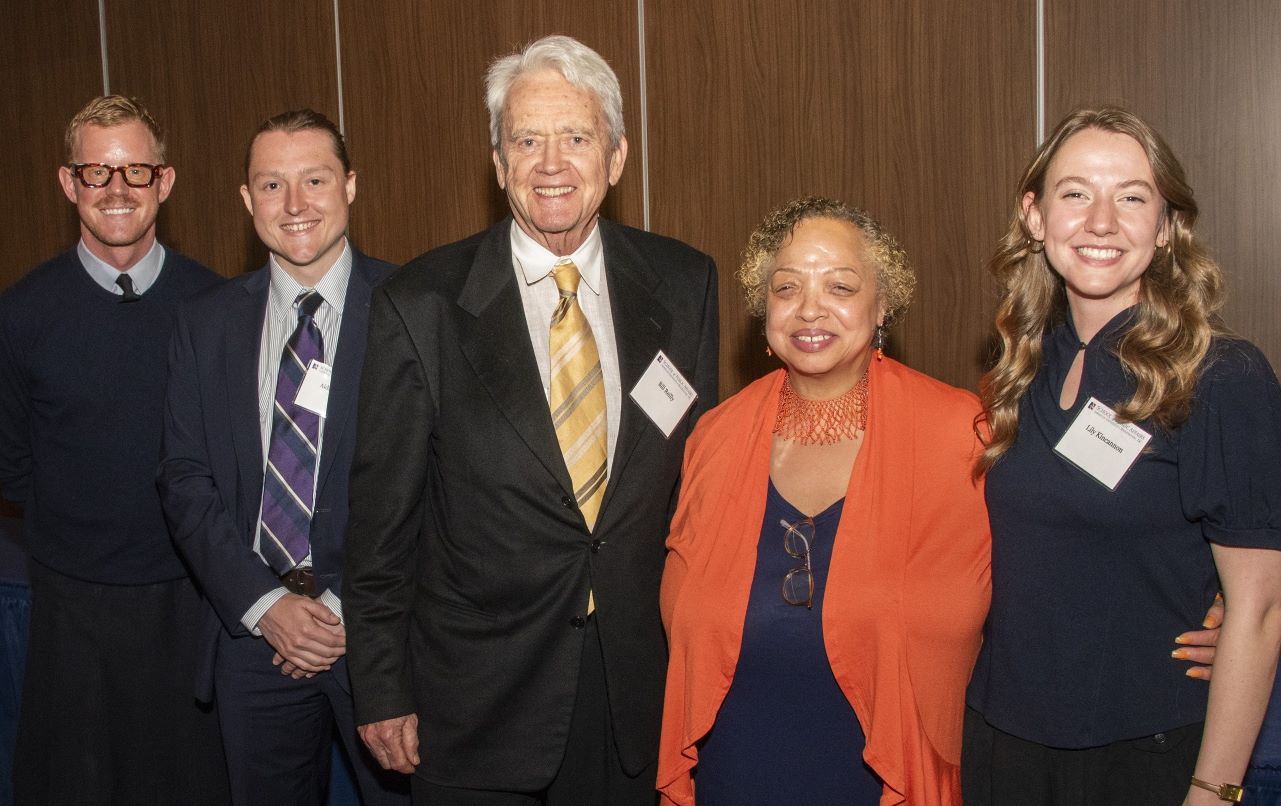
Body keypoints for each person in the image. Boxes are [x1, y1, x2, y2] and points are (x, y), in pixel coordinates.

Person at [343, 34, 719, 804]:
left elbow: (702, 489)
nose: (552, 163)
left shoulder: (684, 285)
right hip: (478, 701)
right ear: (498, 163)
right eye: (527, 140)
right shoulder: (421, 304)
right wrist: (380, 684)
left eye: (576, 138)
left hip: (637, 691)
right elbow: (382, 521)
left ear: (615, 158)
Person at [964, 107, 1281, 806]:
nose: (1100, 222)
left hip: (1145, 755)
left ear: (1166, 226)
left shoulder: (1221, 376)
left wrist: (1213, 791)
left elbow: (1258, 607)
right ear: (1035, 216)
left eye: (1131, 197)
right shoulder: (1020, 368)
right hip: (1002, 743)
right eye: (1075, 193)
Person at [657, 197, 991, 805]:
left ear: (882, 304)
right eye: (787, 288)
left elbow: (1048, 566)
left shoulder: (959, 434)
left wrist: (1211, 596)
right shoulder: (715, 437)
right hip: (735, 769)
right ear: (765, 310)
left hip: (885, 775)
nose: (810, 309)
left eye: (840, 285)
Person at [158, 109, 408, 805]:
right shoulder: (203, 324)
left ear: (350, 186)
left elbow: (433, 483)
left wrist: (338, 610)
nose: (294, 205)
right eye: (271, 185)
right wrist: (267, 604)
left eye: (315, 180)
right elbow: (184, 481)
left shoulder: (413, 308)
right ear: (245, 200)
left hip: (376, 634)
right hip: (253, 639)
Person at [0, 95, 228, 804]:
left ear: (166, 181)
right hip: (75, 609)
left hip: (194, 601)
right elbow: (12, 460)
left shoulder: (217, 305)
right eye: (97, 173)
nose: (118, 189)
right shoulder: (21, 313)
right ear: (69, 184)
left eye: (136, 170)